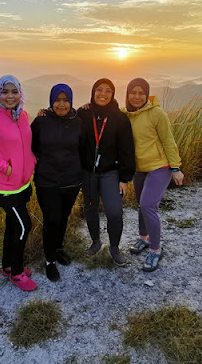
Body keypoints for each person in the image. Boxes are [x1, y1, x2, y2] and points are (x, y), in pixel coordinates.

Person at [0, 75, 38, 291]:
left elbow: (26, 146)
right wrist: (7, 167)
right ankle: (17, 273)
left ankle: (7, 266)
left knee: (13, 227)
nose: (10, 96)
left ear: (20, 93)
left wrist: (31, 162)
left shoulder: (23, 116)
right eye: (5, 92)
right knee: (24, 226)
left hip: (22, 183)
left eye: (14, 91)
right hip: (4, 186)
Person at [123, 78, 184, 272]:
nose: (137, 96)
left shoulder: (157, 113)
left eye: (141, 93)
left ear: (147, 94)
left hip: (160, 166)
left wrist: (176, 168)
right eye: (133, 92)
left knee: (148, 205)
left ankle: (156, 249)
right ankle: (143, 238)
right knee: (142, 203)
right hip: (139, 168)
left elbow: (168, 140)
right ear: (128, 94)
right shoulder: (125, 114)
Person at [77, 78, 135, 266]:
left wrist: (125, 178)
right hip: (88, 172)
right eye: (99, 90)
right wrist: (45, 113)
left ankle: (115, 248)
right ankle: (95, 242)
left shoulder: (119, 118)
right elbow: (65, 120)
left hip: (111, 172)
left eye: (108, 90)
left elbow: (127, 149)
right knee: (91, 208)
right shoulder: (83, 114)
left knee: (114, 211)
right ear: (93, 93)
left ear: (113, 94)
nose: (103, 93)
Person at [31, 84, 84, 282]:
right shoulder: (40, 121)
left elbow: (84, 148)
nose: (61, 104)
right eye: (57, 100)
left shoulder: (79, 122)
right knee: (51, 219)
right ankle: (49, 260)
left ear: (71, 101)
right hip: (47, 180)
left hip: (72, 180)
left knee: (63, 217)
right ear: (51, 101)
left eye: (65, 100)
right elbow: (31, 147)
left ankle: (58, 247)